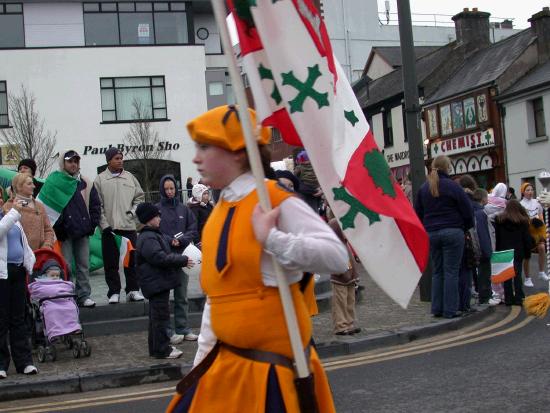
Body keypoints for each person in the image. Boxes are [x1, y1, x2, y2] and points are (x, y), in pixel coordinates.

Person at [167, 105, 348, 413]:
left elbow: (337, 257)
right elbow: (217, 301)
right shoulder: (217, 213)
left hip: (271, 378)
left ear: (238, 152)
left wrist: (273, 240)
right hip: (226, 371)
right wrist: (199, 369)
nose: (196, 157)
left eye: (205, 147)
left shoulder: (272, 199)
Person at [414, 155, 474, 319]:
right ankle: (450, 309)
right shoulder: (453, 187)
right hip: (453, 231)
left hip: (431, 233)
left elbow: (417, 212)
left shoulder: (424, 188)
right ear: (447, 167)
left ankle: (437, 308)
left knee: (437, 271)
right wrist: (465, 227)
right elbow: (468, 211)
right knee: (451, 272)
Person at [135, 202, 194, 359]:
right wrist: (182, 259)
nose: (159, 218)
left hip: (157, 283)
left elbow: (163, 247)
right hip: (156, 283)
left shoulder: (153, 234)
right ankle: (163, 349)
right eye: (156, 216)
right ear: (149, 219)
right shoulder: (148, 237)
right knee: (160, 317)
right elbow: (159, 258)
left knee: (156, 317)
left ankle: (156, 348)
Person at [93, 148, 145, 304]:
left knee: (131, 261)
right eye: (116, 158)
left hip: (128, 228)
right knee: (111, 263)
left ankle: (133, 290)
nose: (120, 160)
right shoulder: (100, 180)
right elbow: (97, 205)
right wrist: (104, 224)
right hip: (109, 230)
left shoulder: (130, 178)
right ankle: (114, 292)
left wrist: (132, 214)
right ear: (109, 161)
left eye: (121, 158)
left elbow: (139, 198)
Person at [52, 150, 101, 308]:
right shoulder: (55, 182)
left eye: (76, 161)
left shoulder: (85, 182)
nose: (73, 164)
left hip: (82, 231)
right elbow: (51, 206)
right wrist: (58, 228)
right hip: (64, 233)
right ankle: (67, 295)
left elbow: (95, 205)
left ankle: (84, 295)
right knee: (65, 265)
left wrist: (91, 225)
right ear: (63, 163)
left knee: (83, 265)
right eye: (70, 161)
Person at [156, 175, 199, 343]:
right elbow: (156, 231)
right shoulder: (157, 209)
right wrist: (169, 240)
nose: (169, 192)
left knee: (182, 295)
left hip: (183, 257)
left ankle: (183, 328)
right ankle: (168, 331)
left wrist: (181, 240)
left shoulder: (184, 209)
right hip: (166, 258)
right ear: (162, 190)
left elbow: (193, 229)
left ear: (176, 188)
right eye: (166, 189)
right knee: (165, 297)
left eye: (172, 188)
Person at [0, 202, 38, 378]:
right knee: (2, 319)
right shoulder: (11, 216)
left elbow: (21, 241)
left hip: (17, 271)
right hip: (2, 275)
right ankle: (1, 364)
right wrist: (14, 212)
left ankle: (24, 362)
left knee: (19, 319)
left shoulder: (11, 217)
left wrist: (29, 260)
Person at [494, 200, 533, 306]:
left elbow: (497, 236)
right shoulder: (522, 220)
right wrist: (527, 252)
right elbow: (526, 239)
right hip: (518, 250)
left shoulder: (499, 219)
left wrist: (497, 250)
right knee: (517, 275)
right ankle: (519, 297)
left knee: (506, 275)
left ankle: (508, 298)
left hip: (503, 249)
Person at [3, 174, 54, 251]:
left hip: (39, 256)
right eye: (29, 184)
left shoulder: (39, 206)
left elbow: (48, 230)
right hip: (18, 259)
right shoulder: (8, 207)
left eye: (33, 183)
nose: (34, 186)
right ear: (19, 187)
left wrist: (46, 247)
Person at [328, 218, 359, 335]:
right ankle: (341, 326)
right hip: (340, 278)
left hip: (350, 277)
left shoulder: (345, 244)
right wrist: (341, 272)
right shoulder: (334, 247)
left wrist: (354, 274)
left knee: (350, 301)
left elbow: (351, 260)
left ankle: (350, 323)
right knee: (340, 303)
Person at [519, 182, 549, 287]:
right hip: (527, 231)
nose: (530, 192)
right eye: (528, 190)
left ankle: (541, 272)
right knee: (527, 255)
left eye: (532, 190)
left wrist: (542, 224)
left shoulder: (537, 202)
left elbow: (541, 215)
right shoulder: (521, 204)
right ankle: (527, 278)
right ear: (523, 192)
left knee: (542, 247)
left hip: (537, 230)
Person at [471, 189, 496, 305]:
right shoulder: (481, 213)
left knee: (482, 273)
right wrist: (487, 251)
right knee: (484, 274)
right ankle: (485, 297)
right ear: (483, 199)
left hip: (478, 248)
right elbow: (483, 233)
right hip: (483, 250)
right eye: (487, 197)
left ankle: (484, 296)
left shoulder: (475, 211)